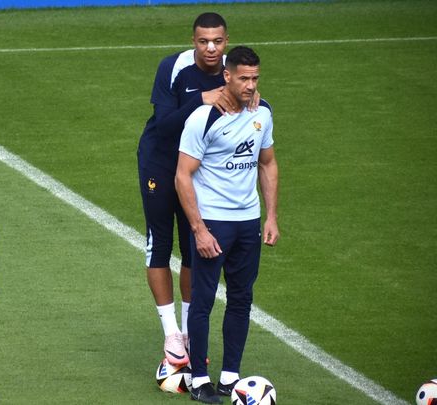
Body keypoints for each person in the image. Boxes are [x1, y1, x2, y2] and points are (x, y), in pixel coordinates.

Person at [137, 12, 256, 366]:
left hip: (196, 171)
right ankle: (171, 331)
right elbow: (164, 125)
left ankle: (189, 333)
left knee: (193, 245)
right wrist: (201, 99)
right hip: (159, 163)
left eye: (217, 41)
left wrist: (243, 97)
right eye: (203, 41)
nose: (210, 48)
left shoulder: (232, 74)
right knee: (159, 243)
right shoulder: (173, 68)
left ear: (226, 41)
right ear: (193, 41)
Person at [175, 46, 279, 403]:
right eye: (244, 78)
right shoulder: (203, 118)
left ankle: (230, 377)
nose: (251, 85)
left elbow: (267, 163)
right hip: (214, 222)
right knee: (202, 301)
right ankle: (199, 378)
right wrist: (199, 229)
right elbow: (182, 177)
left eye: (255, 78)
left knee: (241, 299)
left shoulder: (263, 112)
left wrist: (272, 216)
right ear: (227, 76)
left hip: (247, 222)